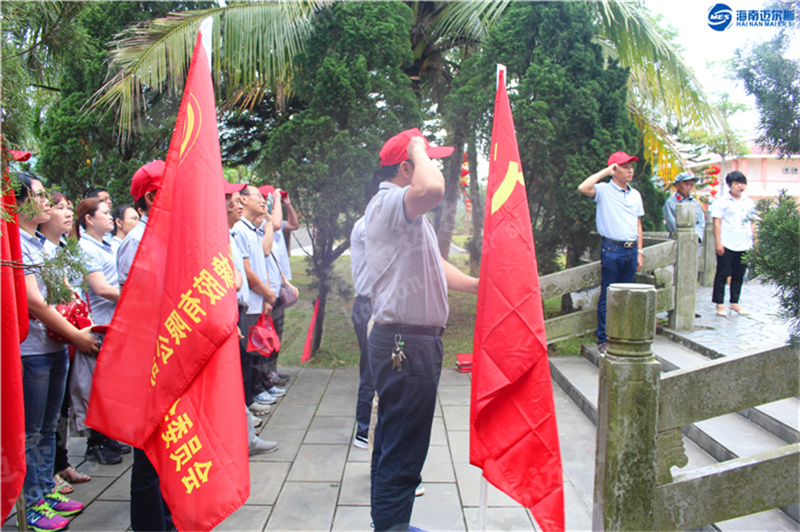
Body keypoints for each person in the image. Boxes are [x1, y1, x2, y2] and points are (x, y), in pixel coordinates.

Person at [364, 129, 478, 531]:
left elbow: (435, 264)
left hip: (408, 342)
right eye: (427, 159)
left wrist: (479, 286)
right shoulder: (391, 202)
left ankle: (388, 525)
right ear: (405, 168)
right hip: (406, 344)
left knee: (395, 441)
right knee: (404, 449)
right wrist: (416, 143)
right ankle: (392, 528)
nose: (435, 166)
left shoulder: (405, 211)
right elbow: (432, 188)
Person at [17, 172, 97, 532]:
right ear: (18, 203)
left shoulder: (38, 243)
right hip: (32, 349)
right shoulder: (16, 245)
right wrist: (75, 335)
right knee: (31, 431)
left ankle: (46, 490)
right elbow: (34, 302)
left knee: (49, 425)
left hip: (53, 345)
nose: (46, 201)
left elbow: (61, 292)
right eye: (38, 195)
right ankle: (31, 503)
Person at [117, 160, 174, 532]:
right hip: (150, 360)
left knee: (167, 452)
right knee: (149, 457)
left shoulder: (167, 235)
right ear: (152, 197)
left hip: (169, 356)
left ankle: (168, 520)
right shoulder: (138, 242)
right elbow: (140, 306)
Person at [70, 198, 132, 465]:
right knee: (94, 388)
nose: (110, 216)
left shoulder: (106, 245)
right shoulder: (85, 247)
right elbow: (102, 288)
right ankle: (95, 443)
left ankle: (107, 436)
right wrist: (137, 296)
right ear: (89, 219)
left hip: (111, 325)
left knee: (108, 388)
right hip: (96, 326)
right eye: (105, 213)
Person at [225, 181, 279, 455]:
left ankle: (244, 426)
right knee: (240, 370)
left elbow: (260, 261)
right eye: (231, 199)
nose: (235, 203)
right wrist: (266, 293)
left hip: (244, 309)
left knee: (247, 364)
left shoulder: (235, 232)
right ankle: (240, 431)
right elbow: (241, 275)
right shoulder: (234, 233)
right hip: (234, 312)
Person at [578, 151, 644, 354]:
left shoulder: (635, 194)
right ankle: (604, 339)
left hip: (631, 249)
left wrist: (640, 252)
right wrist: (606, 171)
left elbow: (638, 224)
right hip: (612, 249)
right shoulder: (604, 190)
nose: (630, 170)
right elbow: (583, 188)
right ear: (614, 169)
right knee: (608, 295)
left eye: (631, 167)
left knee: (626, 295)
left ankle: (622, 335)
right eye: (625, 167)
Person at [710, 170, 756, 316]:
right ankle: (719, 303)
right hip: (727, 242)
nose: (740, 186)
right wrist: (718, 242)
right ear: (729, 185)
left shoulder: (749, 202)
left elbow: (753, 222)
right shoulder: (721, 201)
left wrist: (755, 241)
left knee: (739, 274)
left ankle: (734, 302)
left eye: (742, 183)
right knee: (722, 274)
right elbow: (717, 223)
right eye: (736, 183)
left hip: (744, 242)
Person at [663, 172, 705, 241]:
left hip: (694, 241)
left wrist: (697, 236)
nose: (689, 187)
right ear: (677, 185)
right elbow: (672, 223)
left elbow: (701, 222)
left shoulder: (695, 203)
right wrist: (686, 237)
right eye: (686, 184)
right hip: (678, 241)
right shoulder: (670, 203)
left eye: (691, 185)